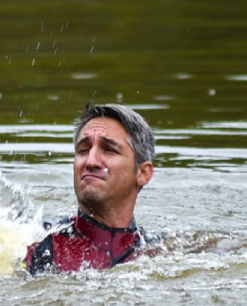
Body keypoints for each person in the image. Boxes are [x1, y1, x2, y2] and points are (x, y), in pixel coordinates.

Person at [22, 103, 158, 274]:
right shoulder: (35, 242)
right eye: (83, 150)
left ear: (143, 173)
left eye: (109, 150)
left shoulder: (158, 252)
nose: (91, 161)